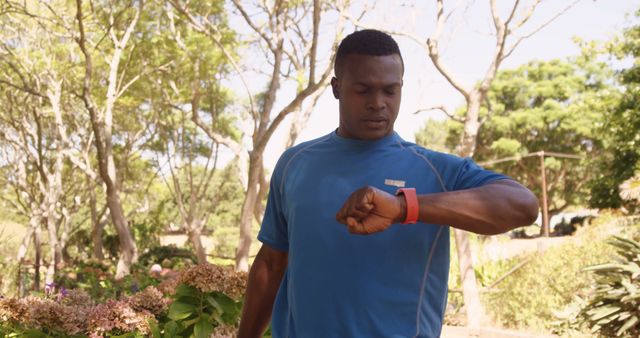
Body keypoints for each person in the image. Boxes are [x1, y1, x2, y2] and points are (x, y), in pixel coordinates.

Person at [238, 29, 539, 338]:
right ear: (336, 88)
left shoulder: (435, 170)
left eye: (390, 91)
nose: (377, 103)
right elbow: (271, 265)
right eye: (363, 90)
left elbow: (523, 206)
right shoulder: (294, 163)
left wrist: (403, 207)